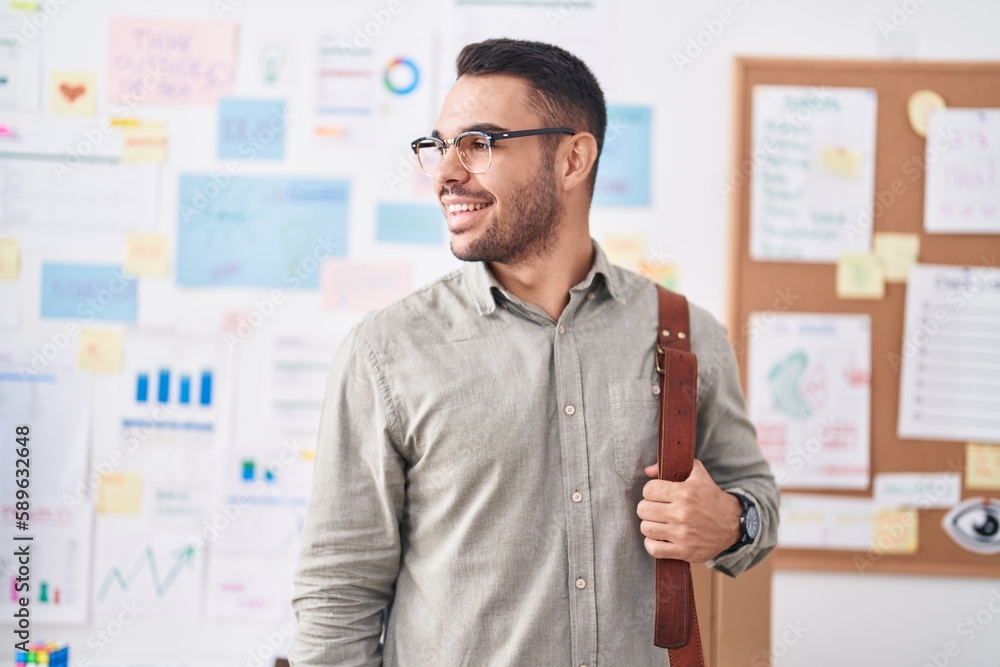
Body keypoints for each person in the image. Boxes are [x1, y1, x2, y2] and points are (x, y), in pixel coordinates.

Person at [290, 38, 779, 667]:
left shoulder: (686, 334)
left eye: (480, 143)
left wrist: (733, 524)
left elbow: (757, 501)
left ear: (573, 158)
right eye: (439, 146)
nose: (445, 173)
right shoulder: (386, 351)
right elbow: (338, 591)